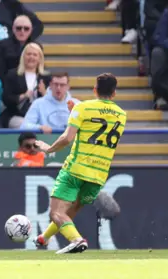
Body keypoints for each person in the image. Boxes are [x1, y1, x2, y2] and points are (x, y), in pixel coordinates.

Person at [32, 73, 126, 254]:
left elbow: (67, 138)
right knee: (70, 210)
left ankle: (76, 240)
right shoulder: (122, 115)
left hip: (76, 169)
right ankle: (44, 238)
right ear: (114, 94)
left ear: (95, 90)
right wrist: (77, 111)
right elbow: (99, 122)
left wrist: (49, 148)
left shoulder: (82, 108)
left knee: (56, 213)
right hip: (98, 174)